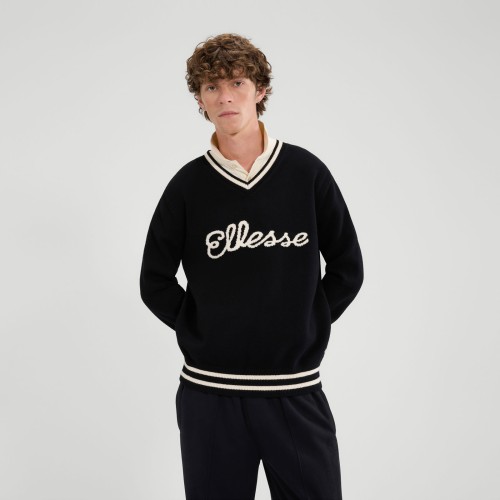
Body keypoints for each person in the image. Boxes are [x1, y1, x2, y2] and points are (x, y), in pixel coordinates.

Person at [139, 33, 364, 500]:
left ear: (260, 90)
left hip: (294, 391)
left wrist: (307, 320)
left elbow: (348, 267)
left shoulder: (306, 173)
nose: (225, 97)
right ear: (199, 99)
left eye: (237, 83)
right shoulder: (188, 186)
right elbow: (154, 280)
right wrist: (202, 328)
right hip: (209, 395)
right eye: (211, 87)